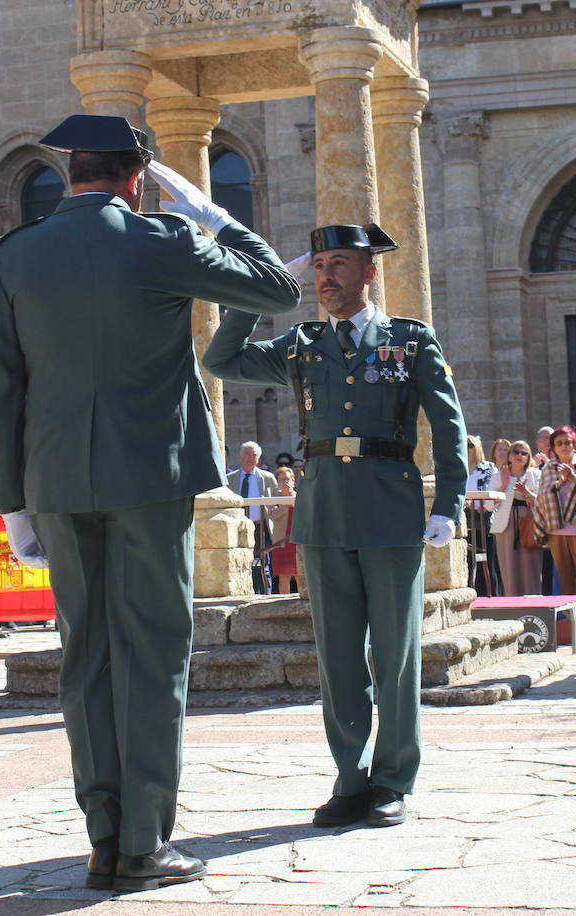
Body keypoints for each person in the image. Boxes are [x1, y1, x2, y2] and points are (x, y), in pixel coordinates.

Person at [0, 114, 300, 892]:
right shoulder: (164, 240)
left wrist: (13, 502)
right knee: (154, 657)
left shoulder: (17, 253)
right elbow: (279, 289)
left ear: (71, 173)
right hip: (150, 479)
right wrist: (212, 217)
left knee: (84, 657)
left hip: (56, 484)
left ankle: (102, 837)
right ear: (137, 177)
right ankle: (145, 844)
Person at [203, 221, 466, 832]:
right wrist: (258, 293)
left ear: (369, 273)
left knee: (396, 654)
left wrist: (448, 505)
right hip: (322, 514)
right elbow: (222, 358)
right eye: (319, 265)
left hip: (389, 509)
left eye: (339, 264)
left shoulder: (409, 340)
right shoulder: (299, 345)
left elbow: (447, 428)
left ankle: (393, 780)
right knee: (339, 657)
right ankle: (352, 777)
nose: (325, 275)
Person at [534, 426, 576, 595]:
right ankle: (569, 618)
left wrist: (572, 478)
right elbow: (542, 496)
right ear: (554, 447)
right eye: (559, 443)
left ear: (574, 445)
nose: (564, 446)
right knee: (565, 577)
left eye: (567, 442)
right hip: (556, 528)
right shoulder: (548, 468)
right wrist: (559, 483)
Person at [488, 440, 541, 597]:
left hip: (529, 522)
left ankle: (533, 603)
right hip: (506, 524)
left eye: (524, 453)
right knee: (509, 567)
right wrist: (504, 487)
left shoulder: (535, 474)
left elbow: (543, 501)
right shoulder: (499, 476)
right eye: (516, 452)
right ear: (509, 456)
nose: (520, 455)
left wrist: (526, 493)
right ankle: (512, 602)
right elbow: (489, 506)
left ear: (528, 457)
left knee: (530, 566)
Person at [227, 441, 280, 594]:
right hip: (238, 528)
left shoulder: (268, 478)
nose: (250, 458)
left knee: (261, 564)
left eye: (254, 455)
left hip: (260, 528)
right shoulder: (230, 479)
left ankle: (264, 595)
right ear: (240, 456)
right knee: (239, 562)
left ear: (259, 458)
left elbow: (277, 501)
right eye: (247, 454)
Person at [464, 435, 501, 596]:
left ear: (477, 447)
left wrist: (482, 505)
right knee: (466, 561)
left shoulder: (488, 468)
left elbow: (493, 490)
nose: (466, 448)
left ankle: (489, 594)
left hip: (482, 519)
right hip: (463, 519)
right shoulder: (458, 468)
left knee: (487, 561)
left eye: (470, 445)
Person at [266, 465, 299, 594]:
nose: (285, 482)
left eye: (288, 479)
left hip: (298, 540)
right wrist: (287, 503)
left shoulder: (300, 497)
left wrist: (292, 500)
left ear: (293, 480)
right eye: (282, 480)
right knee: (284, 576)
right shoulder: (275, 498)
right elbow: (271, 515)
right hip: (282, 542)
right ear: (278, 483)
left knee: (300, 575)